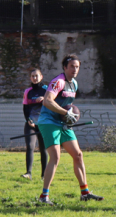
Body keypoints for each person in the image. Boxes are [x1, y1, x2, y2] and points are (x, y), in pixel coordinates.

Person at [36, 54, 103, 204]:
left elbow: (67, 105)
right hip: (49, 122)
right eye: (72, 66)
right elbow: (47, 101)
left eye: (77, 66)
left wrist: (68, 116)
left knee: (78, 155)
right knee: (55, 157)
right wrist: (66, 113)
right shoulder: (58, 82)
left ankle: (85, 193)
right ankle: (44, 196)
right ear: (65, 67)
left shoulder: (74, 84)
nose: (75, 69)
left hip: (63, 123)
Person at [21, 68, 48, 179]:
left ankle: (44, 175)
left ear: (41, 77)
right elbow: (25, 108)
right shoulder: (28, 91)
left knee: (43, 148)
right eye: (32, 76)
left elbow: (54, 103)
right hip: (31, 124)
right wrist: (28, 120)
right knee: (30, 146)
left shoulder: (47, 90)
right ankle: (28, 173)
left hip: (43, 124)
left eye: (36, 75)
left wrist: (45, 99)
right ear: (30, 78)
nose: (35, 78)